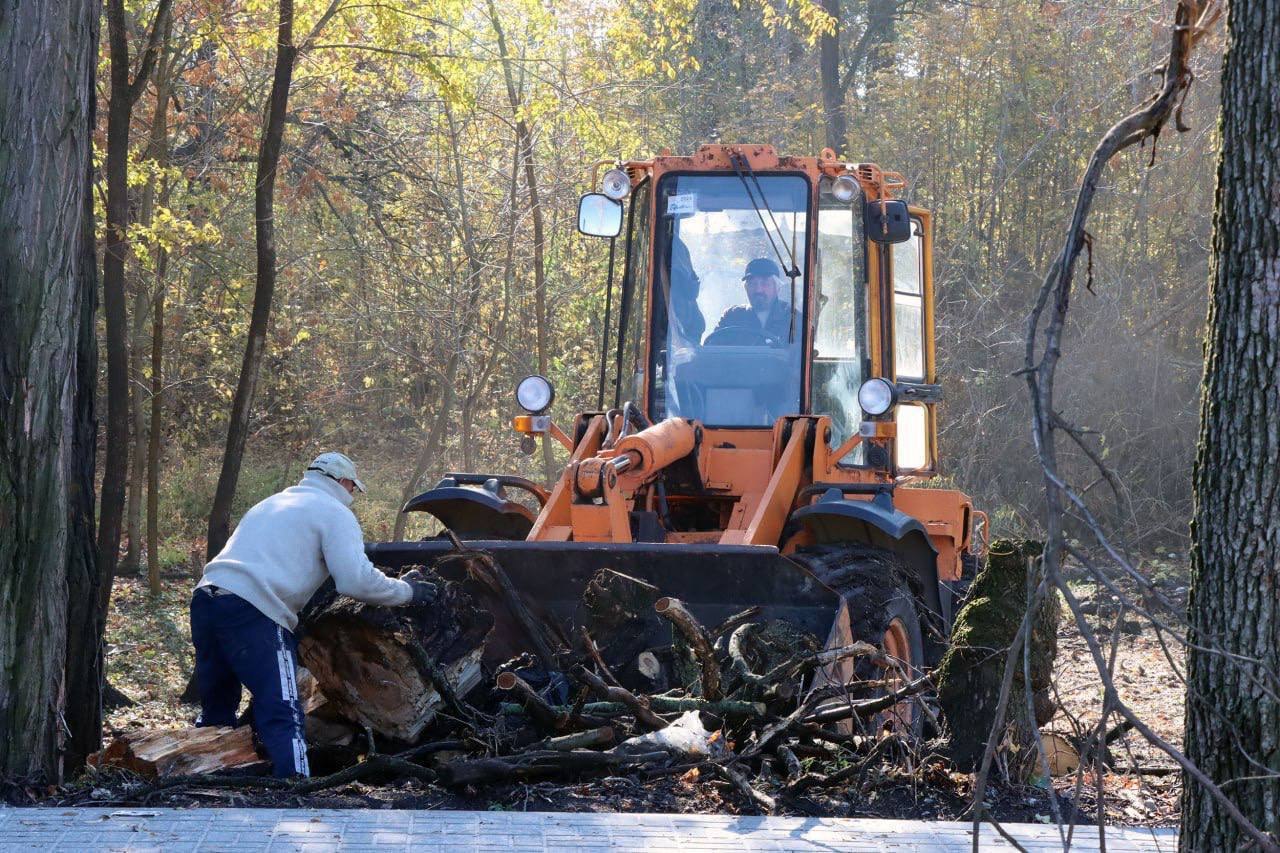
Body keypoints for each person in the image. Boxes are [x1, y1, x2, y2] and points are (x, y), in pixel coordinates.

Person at [189, 451, 437, 778]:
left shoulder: (271, 504)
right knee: (283, 707)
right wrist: (408, 591)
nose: (352, 496)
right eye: (353, 489)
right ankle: (296, 787)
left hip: (206, 597)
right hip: (253, 607)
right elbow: (354, 580)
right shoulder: (333, 512)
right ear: (344, 482)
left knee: (218, 704)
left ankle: (201, 777)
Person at [707, 257, 798, 345]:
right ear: (746, 288)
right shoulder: (732, 317)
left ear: (777, 288)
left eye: (764, 283)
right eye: (752, 284)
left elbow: (798, 355)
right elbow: (712, 351)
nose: (758, 290)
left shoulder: (792, 319)